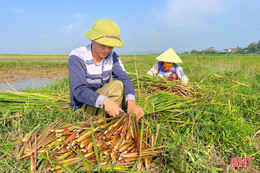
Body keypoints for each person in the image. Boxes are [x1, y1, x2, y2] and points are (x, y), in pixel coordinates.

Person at [68, 19, 144, 120]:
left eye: (111, 46)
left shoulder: (112, 56)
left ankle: (115, 114)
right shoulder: (78, 56)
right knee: (117, 86)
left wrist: (131, 102)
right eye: (103, 44)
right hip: (83, 107)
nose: (107, 50)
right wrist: (106, 101)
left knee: (127, 94)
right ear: (93, 39)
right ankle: (110, 121)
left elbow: (124, 79)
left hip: (103, 99)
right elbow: (79, 90)